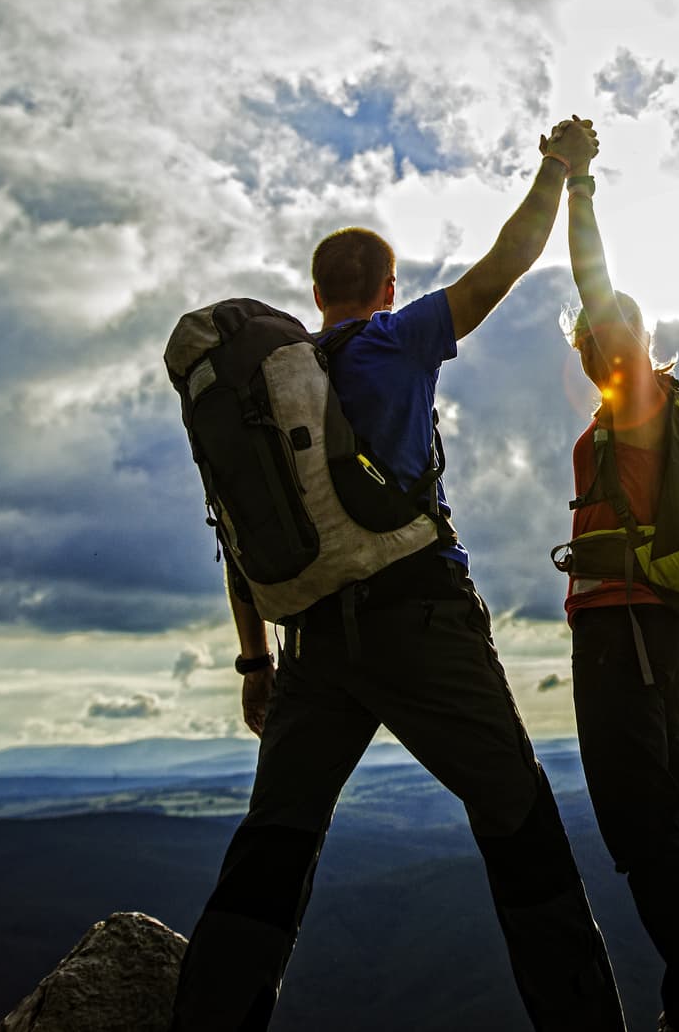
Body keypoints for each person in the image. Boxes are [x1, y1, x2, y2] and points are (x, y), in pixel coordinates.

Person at [171, 118, 627, 1032]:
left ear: (312, 294)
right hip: (421, 619)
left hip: (308, 648)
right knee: (517, 821)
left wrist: (255, 666)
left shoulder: (261, 397)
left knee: (275, 844)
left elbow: (240, 531)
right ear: (384, 288)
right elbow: (508, 261)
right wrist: (559, 169)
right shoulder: (397, 340)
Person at [560, 129, 679, 1032]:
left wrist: (579, 185)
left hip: (623, 639)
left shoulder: (638, 403)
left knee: (640, 834)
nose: (595, 334)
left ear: (627, 335)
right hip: (647, 638)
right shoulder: (630, 409)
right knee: (655, 824)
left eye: (605, 327)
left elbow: (596, 285)